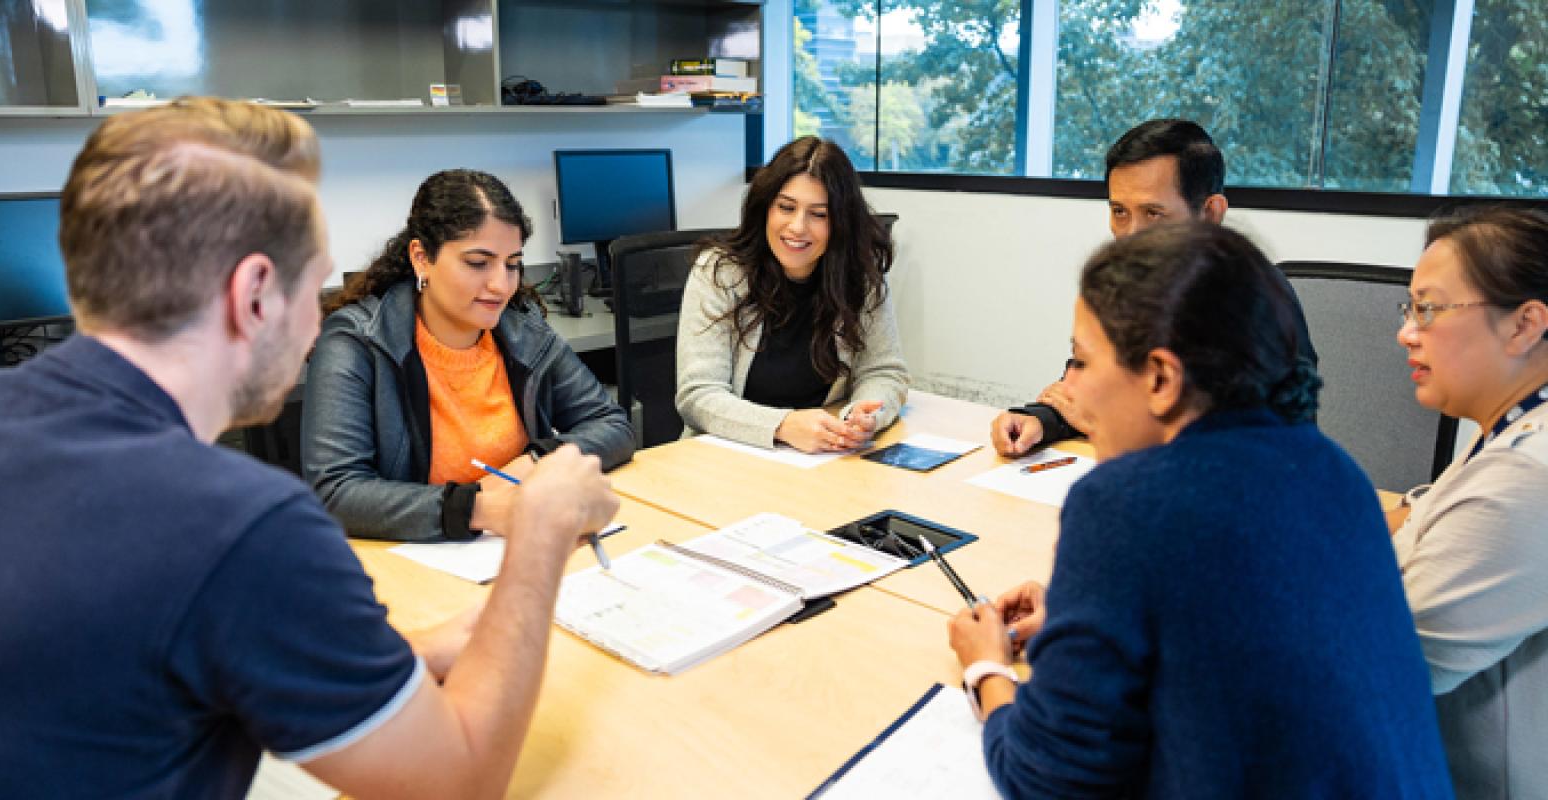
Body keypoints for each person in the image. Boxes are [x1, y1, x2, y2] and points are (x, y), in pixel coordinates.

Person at [0, 98, 619, 799]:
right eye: (315, 281)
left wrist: (401, 655)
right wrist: (539, 533)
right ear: (256, 293)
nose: (318, 318)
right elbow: (458, 780)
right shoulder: (247, 528)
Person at [947, 223, 1451, 796]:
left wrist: (985, 670)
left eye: (1082, 363)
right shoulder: (1335, 472)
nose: (1070, 390)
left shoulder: (1123, 502)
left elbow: (1048, 776)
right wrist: (1082, 616)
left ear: (1161, 378)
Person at [304, 169, 635, 541]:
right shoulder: (357, 342)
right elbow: (335, 491)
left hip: (515, 544)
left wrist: (536, 462)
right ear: (421, 258)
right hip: (413, 560)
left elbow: (612, 424)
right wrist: (480, 508)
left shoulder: (522, 330)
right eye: (478, 263)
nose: (501, 285)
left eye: (512, 264)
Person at [990, 118, 1318, 456]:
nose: (1130, 235)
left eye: (1153, 214)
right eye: (1119, 211)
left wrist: (1106, 426)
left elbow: (1274, 442)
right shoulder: (1124, 283)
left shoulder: (1254, 301)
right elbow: (1090, 389)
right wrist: (1042, 420)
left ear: (1210, 212)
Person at [1387, 206, 1548, 798]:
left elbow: (1379, 663)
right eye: (1410, 308)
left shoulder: (1525, 479)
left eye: (1428, 308)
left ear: (1524, 324)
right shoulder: (1510, 427)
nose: (1407, 331)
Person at [675, 136, 908, 453]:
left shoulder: (859, 277)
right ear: (765, 208)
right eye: (786, 207)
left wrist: (866, 414)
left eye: (819, 214)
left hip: (821, 457)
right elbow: (698, 395)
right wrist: (783, 426)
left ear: (841, 222)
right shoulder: (719, 272)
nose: (798, 227)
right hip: (726, 454)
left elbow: (883, 370)